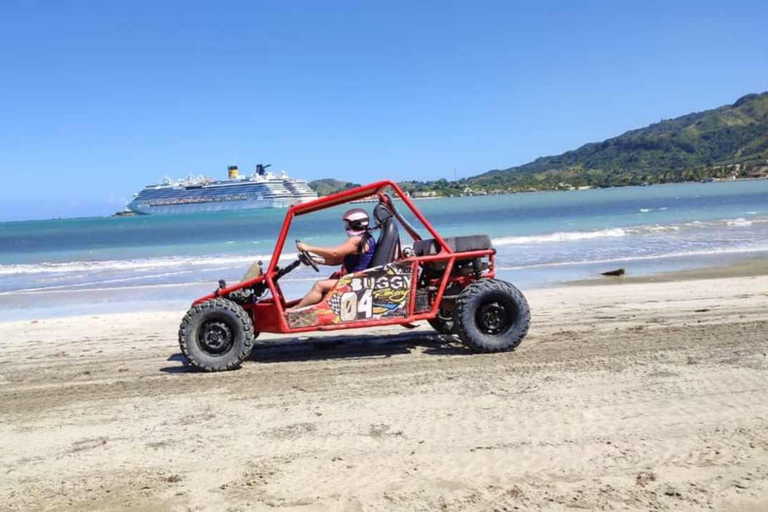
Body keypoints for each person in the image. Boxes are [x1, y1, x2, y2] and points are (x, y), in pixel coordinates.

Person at [290, 208, 376, 309]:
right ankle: (303, 308)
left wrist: (308, 247)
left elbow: (335, 253)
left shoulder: (356, 241)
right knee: (329, 281)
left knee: (319, 285)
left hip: (354, 282)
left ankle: (294, 310)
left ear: (356, 224)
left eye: (348, 224)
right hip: (356, 280)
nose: (346, 227)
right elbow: (339, 259)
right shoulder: (366, 238)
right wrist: (317, 260)